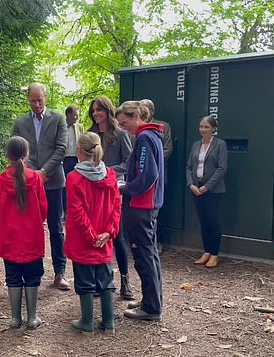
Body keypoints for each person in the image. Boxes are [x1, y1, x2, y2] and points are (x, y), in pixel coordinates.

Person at [13, 83, 70, 290]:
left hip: (52, 181)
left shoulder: (58, 119)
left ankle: (60, 272)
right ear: (28, 99)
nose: (36, 104)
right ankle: (30, 273)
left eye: (40, 100)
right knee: (29, 226)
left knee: (55, 227)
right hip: (28, 182)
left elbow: (61, 148)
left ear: (46, 98)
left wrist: (44, 172)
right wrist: (30, 173)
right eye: (33, 100)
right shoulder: (21, 122)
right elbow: (16, 149)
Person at [64, 132, 121, 334]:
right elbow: (116, 206)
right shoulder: (111, 175)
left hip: (83, 240)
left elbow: (77, 212)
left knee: (85, 281)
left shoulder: (73, 178)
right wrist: (108, 232)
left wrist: (91, 236)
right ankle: (109, 322)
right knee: (106, 280)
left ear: (79, 151)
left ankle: (86, 322)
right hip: (104, 238)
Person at [116, 101, 165, 321]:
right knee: (150, 254)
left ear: (136, 116)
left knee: (143, 256)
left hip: (141, 206)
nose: (124, 127)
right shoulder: (152, 136)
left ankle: (151, 308)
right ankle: (151, 299)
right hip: (149, 205)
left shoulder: (145, 138)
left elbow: (148, 175)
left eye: (125, 123)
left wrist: (125, 188)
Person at [0, 136, 48, 330]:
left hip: (10, 238)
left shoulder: (0, 180)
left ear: (7, 155)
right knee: (33, 277)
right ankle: (32, 317)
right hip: (32, 237)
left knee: (13, 277)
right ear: (26, 154)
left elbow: (0, 209)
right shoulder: (35, 178)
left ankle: (15, 318)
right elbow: (43, 209)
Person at [87, 96, 135, 300]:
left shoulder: (120, 134)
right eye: (93, 110)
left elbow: (128, 163)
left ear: (108, 111)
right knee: (96, 234)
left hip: (114, 188)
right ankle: (100, 281)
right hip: (93, 190)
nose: (96, 113)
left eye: (100, 110)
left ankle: (125, 281)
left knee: (117, 235)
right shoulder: (90, 134)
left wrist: (105, 171)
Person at [186, 115, 228, 268]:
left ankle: (214, 254)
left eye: (206, 127)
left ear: (213, 129)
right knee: (203, 222)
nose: (203, 130)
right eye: (201, 127)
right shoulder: (196, 145)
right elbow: (189, 166)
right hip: (196, 189)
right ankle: (206, 251)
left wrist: (207, 187)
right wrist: (191, 184)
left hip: (213, 190)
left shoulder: (220, 145)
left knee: (213, 222)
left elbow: (221, 168)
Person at [140, 99, 172, 253]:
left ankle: (158, 241)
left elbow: (167, 150)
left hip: (158, 175)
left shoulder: (163, 127)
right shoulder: (136, 128)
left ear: (151, 112)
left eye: (145, 110)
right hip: (139, 178)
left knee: (159, 209)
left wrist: (150, 162)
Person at [62, 105, 83, 217]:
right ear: (68, 114)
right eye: (75, 114)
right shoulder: (61, 127)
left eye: (77, 115)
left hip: (76, 159)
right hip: (64, 160)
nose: (76, 117)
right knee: (64, 185)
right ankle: (65, 211)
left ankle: (73, 210)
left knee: (75, 185)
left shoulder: (79, 127)